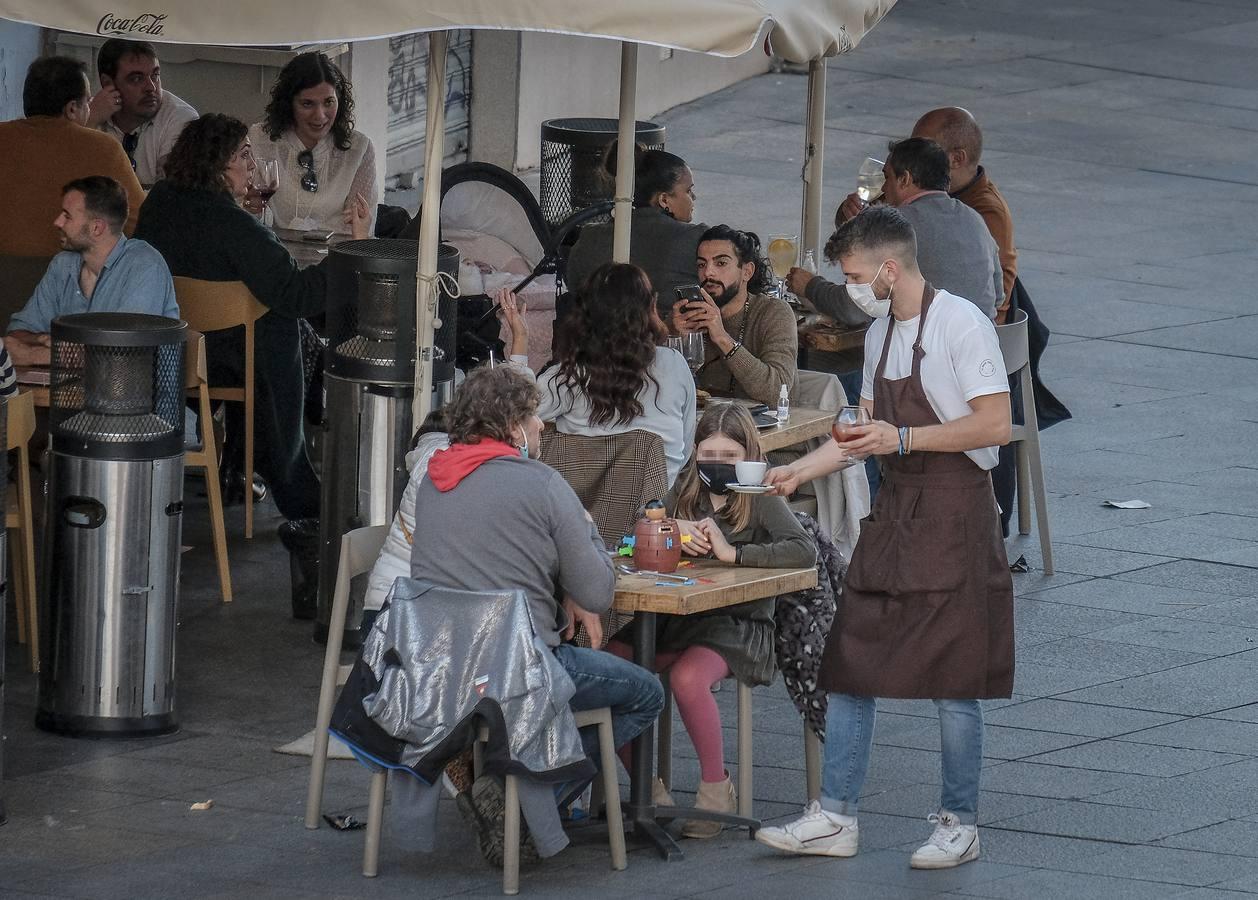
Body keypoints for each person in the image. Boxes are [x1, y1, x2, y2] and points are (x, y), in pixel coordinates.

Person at [755, 207, 1013, 869]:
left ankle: (961, 822)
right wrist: (797, 469)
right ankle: (835, 816)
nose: (851, 290)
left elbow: (993, 425)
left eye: (856, 277)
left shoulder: (961, 324)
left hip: (955, 512)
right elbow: (862, 430)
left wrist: (905, 438)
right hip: (897, 512)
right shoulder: (881, 336)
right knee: (851, 661)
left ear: (890, 270)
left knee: (955, 680)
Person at [407, 365, 665, 858]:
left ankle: (505, 796)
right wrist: (588, 530)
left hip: (439, 676)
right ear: (511, 427)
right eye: (533, 416)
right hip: (519, 674)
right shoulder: (542, 483)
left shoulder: (433, 480)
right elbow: (598, 593)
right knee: (645, 693)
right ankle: (523, 799)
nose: (543, 426)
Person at [134, 113, 370, 545]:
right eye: (244, 155)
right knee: (289, 325)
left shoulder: (161, 201)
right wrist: (351, 250)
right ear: (216, 165)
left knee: (285, 330)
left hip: (173, 356)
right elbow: (297, 293)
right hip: (235, 361)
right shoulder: (235, 226)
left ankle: (239, 465)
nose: (251, 165)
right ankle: (296, 483)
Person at [609, 402, 814, 837]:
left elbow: (802, 549)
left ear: (749, 459)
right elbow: (635, 535)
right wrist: (671, 530)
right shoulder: (687, 486)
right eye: (709, 455)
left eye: (729, 458)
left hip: (737, 623)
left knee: (687, 679)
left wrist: (733, 553)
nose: (717, 465)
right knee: (610, 669)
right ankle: (649, 789)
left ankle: (715, 788)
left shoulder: (757, 497)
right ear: (695, 452)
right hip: (677, 617)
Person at [503, 263, 695, 485]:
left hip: (579, 511)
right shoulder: (674, 364)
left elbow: (513, 420)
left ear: (584, 316)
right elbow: (685, 449)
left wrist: (520, 339)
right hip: (655, 509)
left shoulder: (569, 377)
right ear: (650, 308)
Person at [787, 138, 1002, 323]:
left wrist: (810, 286)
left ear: (905, 179)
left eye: (887, 177)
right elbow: (998, 295)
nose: (882, 188)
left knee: (840, 361)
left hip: (925, 360)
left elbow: (854, 309)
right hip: (983, 349)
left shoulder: (896, 226)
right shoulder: (975, 220)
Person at [7, 176, 177, 366]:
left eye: (67, 215)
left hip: (133, 393)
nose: (57, 222)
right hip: (63, 390)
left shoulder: (143, 265)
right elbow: (16, 335)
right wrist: (41, 340)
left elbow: (124, 355)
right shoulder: (62, 265)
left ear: (96, 228)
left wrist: (36, 355)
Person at [0, 56, 145, 257]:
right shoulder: (103, 148)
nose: (90, 107)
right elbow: (137, 222)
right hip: (71, 280)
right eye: (88, 101)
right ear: (71, 109)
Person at [246, 52, 377, 235]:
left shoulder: (359, 148)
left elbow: (359, 229)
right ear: (289, 104)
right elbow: (243, 215)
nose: (320, 115)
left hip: (334, 258)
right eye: (308, 104)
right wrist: (253, 210)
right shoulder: (259, 139)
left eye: (329, 102)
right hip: (273, 255)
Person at [565, 144, 706, 312]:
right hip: (676, 335)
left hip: (599, 335)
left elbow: (574, 289)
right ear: (664, 200)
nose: (694, 197)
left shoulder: (589, 237)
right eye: (689, 191)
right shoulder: (696, 240)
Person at [911, 107, 1017, 323]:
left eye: (923, 151)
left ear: (957, 159)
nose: (911, 159)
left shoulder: (985, 211)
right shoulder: (917, 186)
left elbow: (998, 296)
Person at [674, 225, 798, 406]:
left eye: (721, 263)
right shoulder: (691, 315)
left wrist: (723, 338)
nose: (708, 272)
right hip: (703, 424)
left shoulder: (774, 313)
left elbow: (777, 393)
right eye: (701, 264)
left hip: (762, 429)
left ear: (747, 271)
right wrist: (670, 336)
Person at [88, 40, 198, 187]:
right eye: (136, 79)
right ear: (108, 83)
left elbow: (171, 196)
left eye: (155, 75)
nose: (151, 87)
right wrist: (89, 122)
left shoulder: (181, 118)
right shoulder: (92, 112)